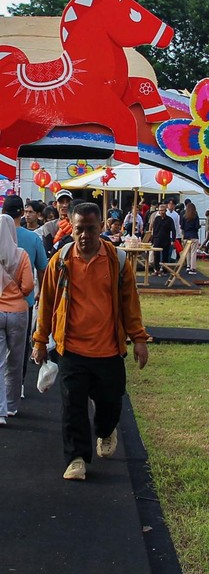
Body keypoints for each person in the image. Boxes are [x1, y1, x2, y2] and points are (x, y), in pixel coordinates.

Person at [32, 202, 149, 480]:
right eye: (79, 229)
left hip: (109, 350)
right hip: (71, 349)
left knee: (110, 402)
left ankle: (106, 430)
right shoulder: (60, 260)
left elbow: (130, 303)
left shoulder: (117, 260)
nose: (84, 235)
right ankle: (76, 459)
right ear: (71, 229)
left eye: (91, 229)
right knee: (73, 406)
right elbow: (46, 303)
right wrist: (40, 340)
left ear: (101, 228)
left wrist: (139, 339)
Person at [2, 195, 48, 399]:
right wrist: (41, 293)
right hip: (23, 304)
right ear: (22, 213)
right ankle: (17, 387)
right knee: (18, 350)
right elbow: (42, 268)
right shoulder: (32, 239)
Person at [0, 214, 34, 423]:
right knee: (16, 359)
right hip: (19, 312)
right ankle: (12, 406)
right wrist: (18, 293)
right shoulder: (21, 255)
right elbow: (28, 285)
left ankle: (0, 410)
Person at [42, 189, 74, 257]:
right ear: (55, 204)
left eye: (68, 202)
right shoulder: (49, 226)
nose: (65, 205)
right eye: (61, 202)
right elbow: (47, 250)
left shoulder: (77, 224)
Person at [150, 202, 175, 275]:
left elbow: (173, 230)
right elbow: (154, 230)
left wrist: (173, 240)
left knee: (165, 256)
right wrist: (152, 240)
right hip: (157, 239)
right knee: (156, 255)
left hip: (166, 239)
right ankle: (156, 269)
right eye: (160, 210)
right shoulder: (157, 219)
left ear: (166, 210)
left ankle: (164, 270)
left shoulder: (169, 219)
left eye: (162, 210)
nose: (161, 212)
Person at [179, 201, 200, 274]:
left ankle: (188, 266)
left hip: (186, 236)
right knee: (193, 252)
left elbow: (182, 226)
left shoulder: (184, 216)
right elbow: (197, 226)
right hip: (194, 235)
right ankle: (192, 268)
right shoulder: (195, 216)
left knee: (188, 252)